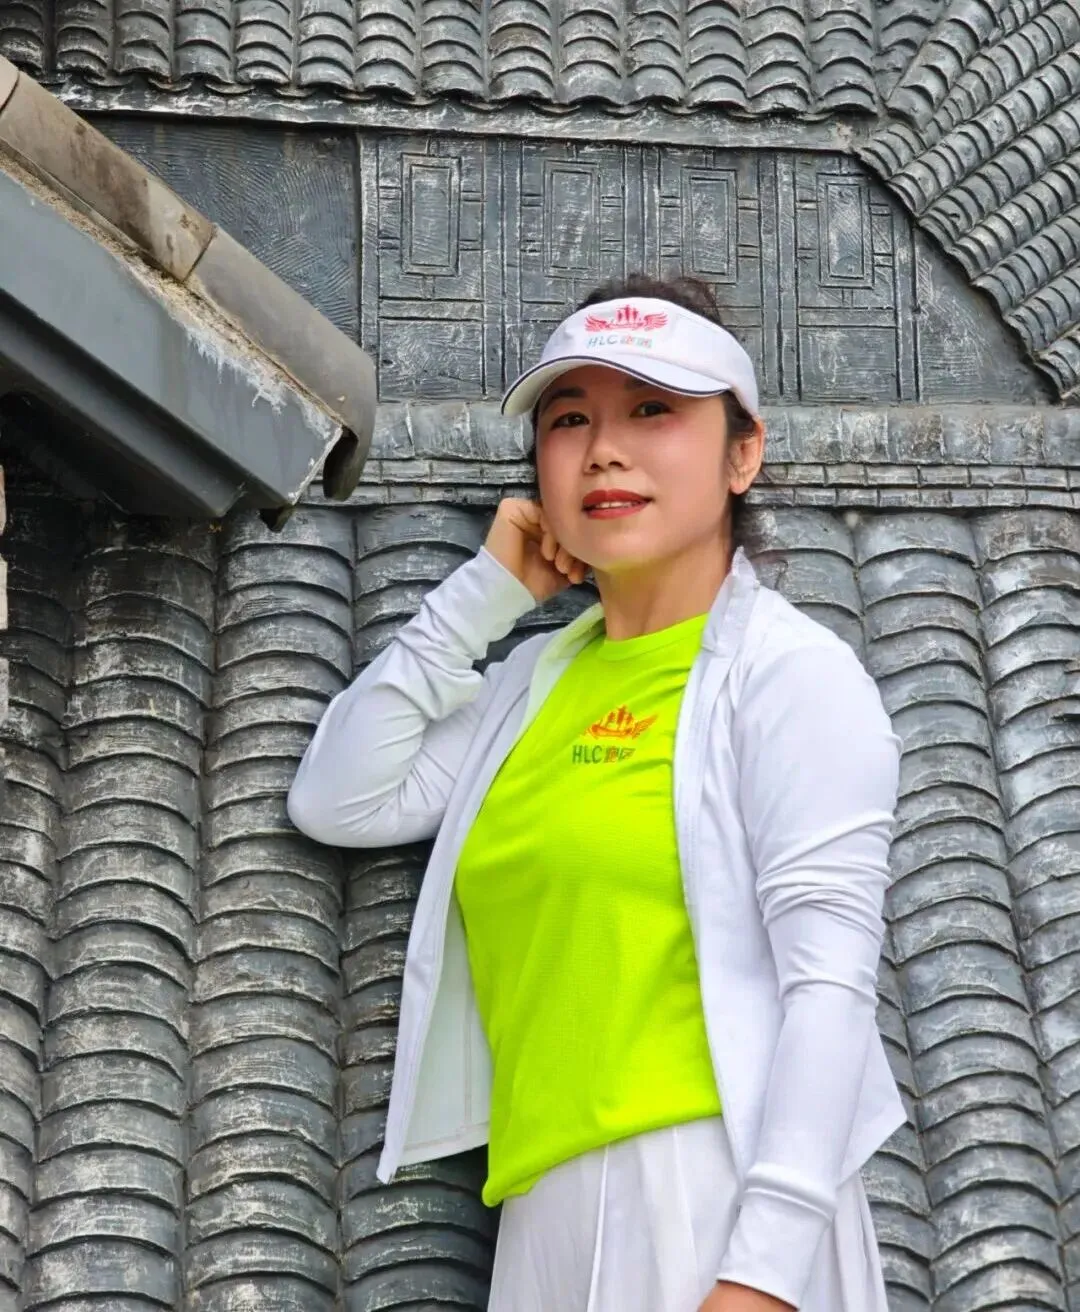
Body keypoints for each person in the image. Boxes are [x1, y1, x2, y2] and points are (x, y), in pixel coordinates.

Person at [288, 274, 904, 1312]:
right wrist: (486, 593)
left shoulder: (790, 676)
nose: (605, 449)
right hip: (543, 1213)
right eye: (570, 419)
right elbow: (338, 796)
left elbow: (830, 991)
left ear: (742, 453)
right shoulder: (535, 687)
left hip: (712, 1199)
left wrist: (760, 1279)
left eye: (652, 410)